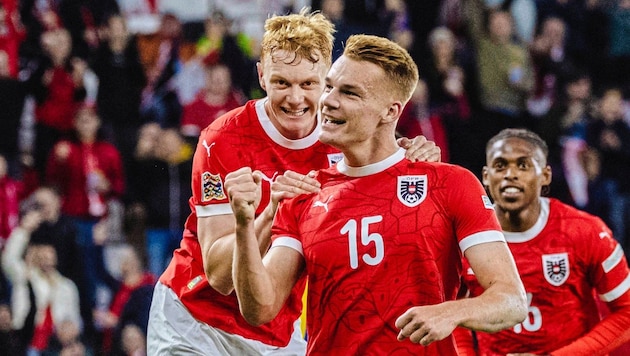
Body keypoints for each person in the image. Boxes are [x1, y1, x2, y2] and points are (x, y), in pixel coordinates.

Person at [146, 10, 441, 355]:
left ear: (328, 80)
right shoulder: (223, 138)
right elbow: (218, 277)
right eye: (282, 82)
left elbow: (397, 176)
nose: (296, 98)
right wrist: (270, 213)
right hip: (195, 320)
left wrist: (417, 159)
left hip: (276, 331)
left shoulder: (346, 139)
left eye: (309, 84)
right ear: (261, 76)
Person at [227, 34, 527, 355]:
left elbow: (511, 300)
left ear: (389, 112)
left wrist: (450, 312)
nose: (327, 100)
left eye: (349, 92)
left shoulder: (450, 184)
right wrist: (245, 227)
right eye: (329, 87)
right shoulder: (306, 194)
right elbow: (260, 308)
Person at [454, 128, 630, 355]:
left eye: (523, 165)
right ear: (486, 176)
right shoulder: (465, 238)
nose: (510, 174)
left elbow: (626, 313)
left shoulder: (584, 231)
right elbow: (452, 315)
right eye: (500, 166)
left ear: (545, 175)